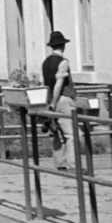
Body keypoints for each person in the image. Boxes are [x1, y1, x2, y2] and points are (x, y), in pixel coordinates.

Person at [42, 30, 74, 170]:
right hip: (62, 98)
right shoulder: (63, 62)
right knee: (71, 135)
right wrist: (54, 103)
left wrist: (49, 103)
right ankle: (74, 164)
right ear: (63, 45)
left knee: (56, 132)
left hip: (48, 98)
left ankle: (59, 163)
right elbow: (59, 84)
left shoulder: (45, 62)